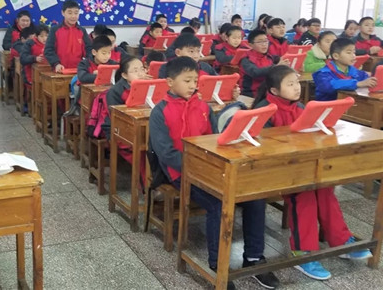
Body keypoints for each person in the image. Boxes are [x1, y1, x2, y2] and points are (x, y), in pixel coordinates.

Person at [148, 57, 279, 290]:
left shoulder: (203, 107)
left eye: (195, 81)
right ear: (169, 82)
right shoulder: (160, 112)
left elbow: (215, 141)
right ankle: (218, 264)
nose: (192, 85)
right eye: (187, 81)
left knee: (255, 197)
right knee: (218, 203)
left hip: (209, 168)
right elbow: (166, 154)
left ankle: (254, 258)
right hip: (179, 173)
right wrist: (198, 168)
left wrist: (215, 165)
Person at [252, 65, 372, 281]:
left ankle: (340, 240)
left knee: (325, 188)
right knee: (304, 193)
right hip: (273, 170)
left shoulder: (300, 107)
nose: (297, 88)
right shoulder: (264, 110)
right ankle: (302, 252)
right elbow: (262, 148)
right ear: (274, 90)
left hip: (301, 165)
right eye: (290, 84)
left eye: (297, 82)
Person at [313, 38, 377, 101]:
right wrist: (357, 84)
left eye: (354, 52)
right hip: (328, 105)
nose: (353, 56)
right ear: (336, 56)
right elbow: (330, 85)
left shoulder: (353, 71)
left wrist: (372, 80)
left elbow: (365, 77)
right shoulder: (323, 73)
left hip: (349, 104)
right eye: (349, 53)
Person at [102, 56, 148, 140]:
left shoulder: (148, 86)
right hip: (120, 127)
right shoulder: (114, 91)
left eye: (142, 69)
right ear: (125, 75)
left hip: (140, 123)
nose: (141, 74)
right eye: (135, 71)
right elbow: (116, 117)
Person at [44, 0, 92, 73]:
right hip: (59, 70)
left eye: (76, 13)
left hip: (79, 71)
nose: (73, 16)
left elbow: (89, 50)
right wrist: (56, 64)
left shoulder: (82, 31)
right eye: (70, 13)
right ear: (63, 13)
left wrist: (86, 65)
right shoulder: (55, 30)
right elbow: (48, 50)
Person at [239, 29, 288, 97]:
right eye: (260, 42)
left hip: (268, 92)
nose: (264, 44)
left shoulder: (268, 56)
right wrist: (276, 67)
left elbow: (278, 59)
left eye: (266, 41)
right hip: (251, 94)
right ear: (250, 45)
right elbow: (256, 73)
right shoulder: (246, 59)